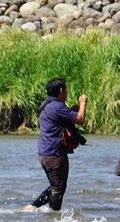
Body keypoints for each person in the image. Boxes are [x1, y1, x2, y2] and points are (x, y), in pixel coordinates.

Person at [28, 77, 87, 211]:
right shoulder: (57, 106)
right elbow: (80, 119)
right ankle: (52, 217)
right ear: (61, 91)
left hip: (45, 153)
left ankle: (33, 207)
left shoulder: (46, 105)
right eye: (66, 90)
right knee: (58, 188)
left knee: (56, 186)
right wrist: (83, 102)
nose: (67, 93)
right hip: (54, 154)